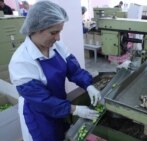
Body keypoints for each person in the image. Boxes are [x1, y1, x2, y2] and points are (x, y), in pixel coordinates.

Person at [8, 1, 101, 141]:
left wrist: (89, 85)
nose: (58, 37)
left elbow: (74, 70)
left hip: (60, 106)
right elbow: (41, 100)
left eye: (59, 32)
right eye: (54, 32)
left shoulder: (57, 46)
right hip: (40, 115)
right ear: (36, 29)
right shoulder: (21, 61)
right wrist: (74, 109)